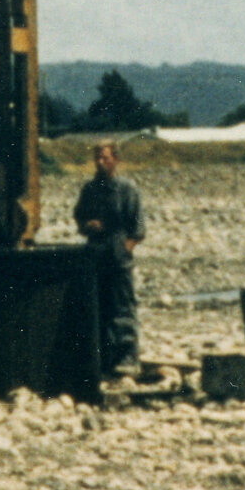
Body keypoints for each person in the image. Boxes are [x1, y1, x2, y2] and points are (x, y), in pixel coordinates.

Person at [75, 140, 145, 378]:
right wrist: (87, 226)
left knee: (123, 307)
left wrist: (126, 248)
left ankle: (127, 357)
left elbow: (138, 229)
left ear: (115, 159)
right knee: (99, 307)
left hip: (118, 255)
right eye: (97, 158)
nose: (100, 162)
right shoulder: (89, 190)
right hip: (95, 253)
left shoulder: (128, 189)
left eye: (105, 158)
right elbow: (79, 217)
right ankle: (104, 359)